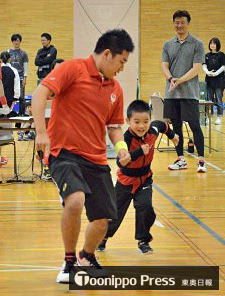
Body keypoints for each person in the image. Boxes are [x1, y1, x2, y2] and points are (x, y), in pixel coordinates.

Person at [31, 29, 134, 282]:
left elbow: (114, 128)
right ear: (108, 54)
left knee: (104, 219)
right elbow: (40, 93)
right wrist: (41, 133)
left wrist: (122, 150)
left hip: (96, 159)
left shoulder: (115, 89)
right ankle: (68, 264)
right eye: (121, 61)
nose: (122, 68)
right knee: (75, 201)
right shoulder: (72, 69)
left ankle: (86, 256)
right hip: (64, 153)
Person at [97, 100, 179, 254]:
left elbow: (161, 125)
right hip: (126, 181)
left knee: (145, 207)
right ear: (128, 121)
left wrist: (173, 136)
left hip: (145, 179)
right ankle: (103, 237)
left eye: (145, 121)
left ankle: (143, 240)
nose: (142, 126)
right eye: (137, 122)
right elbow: (121, 163)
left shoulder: (152, 130)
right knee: (115, 213)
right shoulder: (126, 140)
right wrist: (139, 152)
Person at [162, 10, 207, 173]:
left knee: (195, 125)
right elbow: (164, 65)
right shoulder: (168, 44)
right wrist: (170, 79)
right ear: (173, 23)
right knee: (176, 127)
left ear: (188, 23)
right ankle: (181, 159)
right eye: (176, 22)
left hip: (189, 93)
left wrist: (179, 80)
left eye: (182, 22)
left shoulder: (197, 44)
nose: (179, 25)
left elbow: (196, 68)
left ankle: (201, 161)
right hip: (171, 93)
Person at [202, 37, 225, 125]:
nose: (212, 45)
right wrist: (208, 72)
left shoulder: (221, 55)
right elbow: (204, 65)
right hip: (209, 81)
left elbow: (223, 67)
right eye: (211, 43)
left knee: (219, 99)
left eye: (214, 43)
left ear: (217, 45)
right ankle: (209, 117)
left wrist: (215, 74)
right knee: (209, 99)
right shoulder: (207, 55)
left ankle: (219, 117)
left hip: (219, 81)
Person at [8, 34, 28, 115]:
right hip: (11, 78)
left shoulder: (24, 53)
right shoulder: (8, 52)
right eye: (14, 40)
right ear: (12, 42)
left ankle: (21, 114)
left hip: (20, 78)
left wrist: (25, 78)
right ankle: (9, 113)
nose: (16, 42)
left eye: (18, 40)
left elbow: (25, 67)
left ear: (20, 41)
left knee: (21, 97)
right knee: (10, 96)